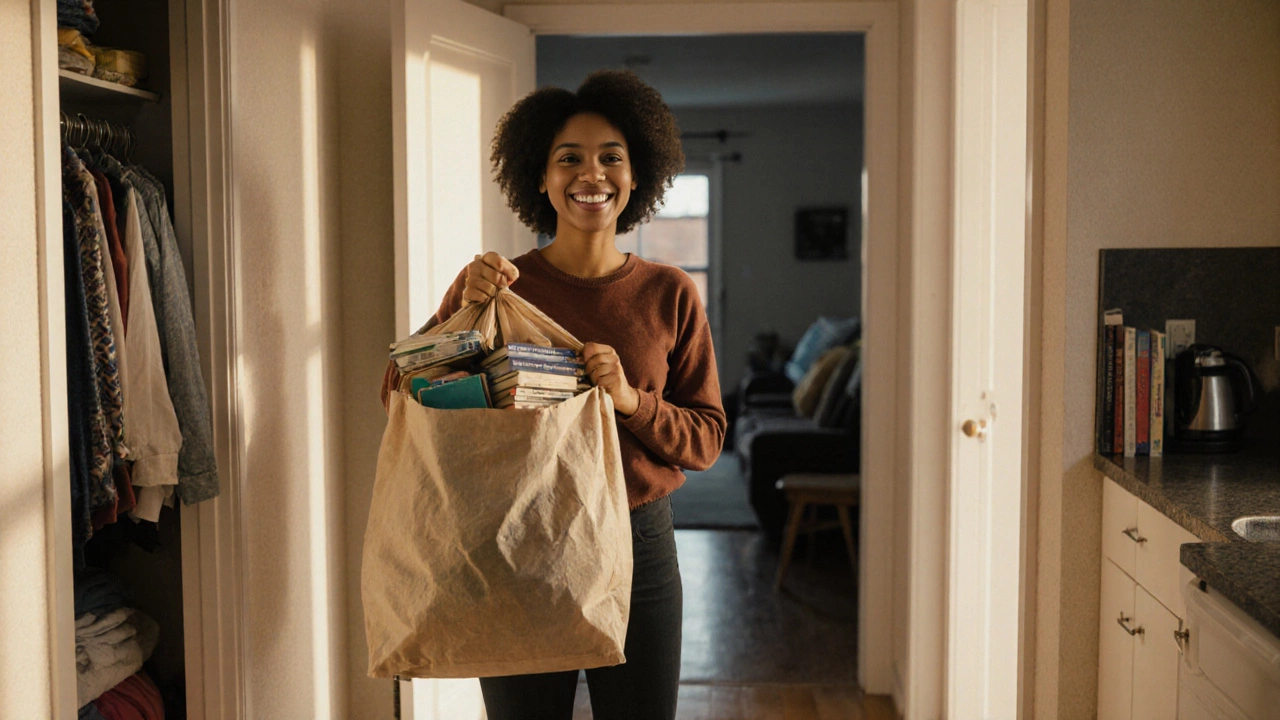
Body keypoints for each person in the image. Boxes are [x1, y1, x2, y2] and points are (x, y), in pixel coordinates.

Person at [387, 70, 726, 719]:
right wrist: (459, 307)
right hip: (516, 537)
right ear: (539, 178)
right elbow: (401, 396)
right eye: (568, 158)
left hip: (638, 545)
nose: (590, 174)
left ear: (637, 176)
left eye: (610, 158)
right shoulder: (499, 286)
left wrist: (630, 401)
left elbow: (707, 438)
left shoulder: (669, 293)